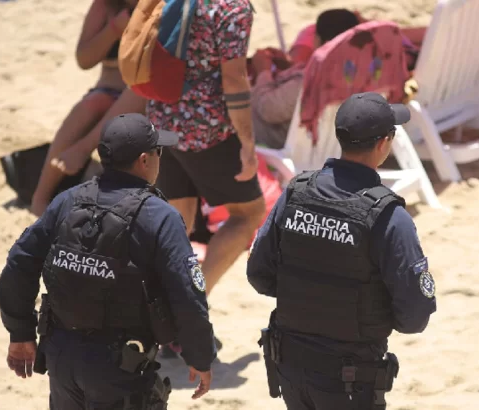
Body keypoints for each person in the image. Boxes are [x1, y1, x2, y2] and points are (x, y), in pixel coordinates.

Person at [0, 113, 216, 408]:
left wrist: (20, 332)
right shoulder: (159, 216)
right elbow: (188, 294)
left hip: (62, 358)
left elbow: (19, 263)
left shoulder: (68, 200)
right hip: (121, 367)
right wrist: (199, 355)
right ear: (144, 160)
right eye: (158, 151)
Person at [247, 92, 437, 410]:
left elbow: (259, 275)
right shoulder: (388, 216)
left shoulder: (295, 194)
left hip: (291, 368)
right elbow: (414, 316)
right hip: (350, 378)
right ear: (384, 143)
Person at [146, 0, 265, 316]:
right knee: (248, 214)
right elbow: (234, 79)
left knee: (177, 221)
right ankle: (189, 306)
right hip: (206, 129)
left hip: (162, 117)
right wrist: (248, 143)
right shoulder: (232, 9)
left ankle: (155, 310)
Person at [31, 0, 144, 217]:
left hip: (139, 95)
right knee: (93, 104)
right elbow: (84, 59)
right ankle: (40, 198)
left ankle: (82, 150)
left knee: (136, 94)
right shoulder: (105, 6)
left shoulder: (157, 6)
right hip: (108, 90)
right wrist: (113, 30)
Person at [250, 8, 362, 149]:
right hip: (329, 147)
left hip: (275, 143)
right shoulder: (362, 75)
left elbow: (268, 109)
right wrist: (290, 67)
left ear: (322, 41)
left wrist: (263, 71)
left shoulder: (311, 82)